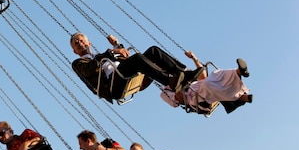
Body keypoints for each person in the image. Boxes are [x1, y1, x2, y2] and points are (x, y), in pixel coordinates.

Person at [69, 33, 203, 100]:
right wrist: (111, 52)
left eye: (81, 40)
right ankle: (170, 82)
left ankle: (182, 73)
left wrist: (116, 45)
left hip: (124, 75)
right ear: (75, 51)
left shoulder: (101, 56)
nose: (79, 43)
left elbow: (124, 57)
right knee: (138, 58)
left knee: (153, 51)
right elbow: (88, 70)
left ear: (89, 43)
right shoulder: (79, 64)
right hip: (113, 86)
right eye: (76, 43)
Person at [160, 51, 253, 114]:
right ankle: (240, 88)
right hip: (198, 95)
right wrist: (183, 84)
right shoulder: (165, 92)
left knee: (215, 78)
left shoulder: (181, 77)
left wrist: (194, 58)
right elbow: (178, 98)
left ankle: (237, 73)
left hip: (200, 89)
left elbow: (203, 77)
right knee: (213, 81)